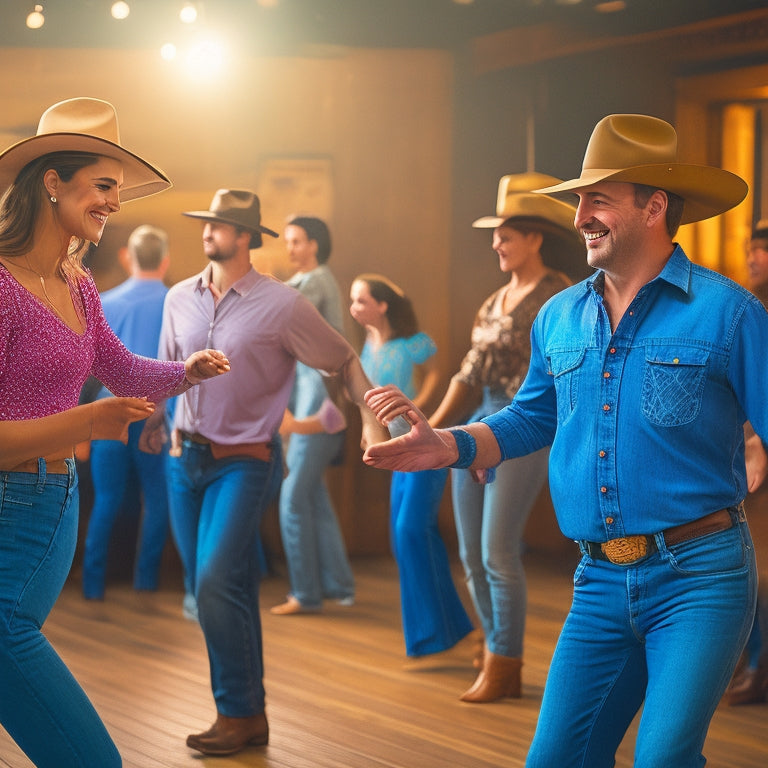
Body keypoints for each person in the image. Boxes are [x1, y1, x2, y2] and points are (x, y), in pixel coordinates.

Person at [362, 113, 763, 767]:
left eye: (596, 199)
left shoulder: (730, 314)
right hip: (599, 581)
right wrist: (453, 444)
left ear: (654, 206)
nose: (579, 217)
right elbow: (530, 417)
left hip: (699, 578)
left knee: (663, 758)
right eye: (579, 201)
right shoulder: (560, 316)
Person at [0, 97, 229, 768]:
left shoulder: (79, 286)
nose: (113, 203)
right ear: (52, 182)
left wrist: (183, 373)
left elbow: (121, 367)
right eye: (104, 186)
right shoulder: (3, 285)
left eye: (117, 193)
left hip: (47, 507)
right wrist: (89, 420)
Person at [142, 189, 388, 757]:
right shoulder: (178, 296)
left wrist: (372, 420)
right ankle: (247, 715)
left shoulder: (283, 305)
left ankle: (237, 711)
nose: (210, 231)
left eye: (223, 225)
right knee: (216, 586)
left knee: (211, 584)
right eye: (207, 222)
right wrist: (156, 416)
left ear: (248, 237)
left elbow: (344, 359)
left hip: (246, 462)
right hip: (185, 459)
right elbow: (166, 367)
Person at [427, 173, 584, 702]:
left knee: (497, 551)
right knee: (470, 554)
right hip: (478, 424)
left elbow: (565, 380)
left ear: (535, 238)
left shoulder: (559, 295)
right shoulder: (494, 300)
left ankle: (505, 663)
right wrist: (433, 429)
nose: (495, 242)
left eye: (506, 235)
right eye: (495, 234)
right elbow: (468, 374)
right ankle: (493, 645)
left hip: (527, 426)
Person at [348, 273, 474, 660]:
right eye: (352, 302)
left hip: (427, 443)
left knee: (410, 529)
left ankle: (450, 630)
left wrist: (423, 408)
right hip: (396, 448)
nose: (354, 309)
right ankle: (441, 631)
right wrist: (371, 429)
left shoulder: (414, 343)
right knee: (405, 534)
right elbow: (361, 395)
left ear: (382, 305)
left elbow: (442, 372)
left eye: (361, 301)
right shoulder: (365, 345)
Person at [81, 224, 174, 599]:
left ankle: (92, 585)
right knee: (156, 497)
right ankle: (146, 581)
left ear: (126, 257)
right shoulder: (177, 301)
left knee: (106, 499)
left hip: (109, 412)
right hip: (157, 412)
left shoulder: (103, 302)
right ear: (165, 261)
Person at [271, 216, 355, 615]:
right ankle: (339, 585)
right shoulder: (313, 281)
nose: (290, 248)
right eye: (288, 241)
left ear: (315, 246)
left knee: (291, 500)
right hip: (313, 398)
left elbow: (277, 303)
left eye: (297, 241)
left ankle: (305, 594)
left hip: (319, 404)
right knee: (314, 499)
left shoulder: (317, 279)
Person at [724, 219, 768, 705]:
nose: (753, 257)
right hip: (745, 451)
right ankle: (748, 660)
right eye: (750, 248)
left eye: (762, 249)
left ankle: (758, 666)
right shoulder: (749, 308)